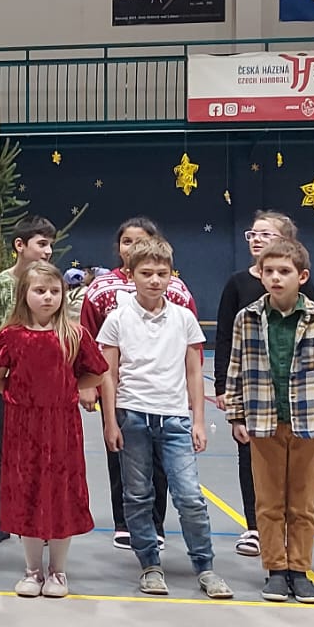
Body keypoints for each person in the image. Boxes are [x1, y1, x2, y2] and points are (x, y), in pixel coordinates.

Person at [97, 236, 233, 599]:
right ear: (130, 275)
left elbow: (194, 371)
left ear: (172, 274)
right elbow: (108, 374)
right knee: (138, 495)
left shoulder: (184, 318)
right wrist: (110, 421)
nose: (155, 280)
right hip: (133, 416)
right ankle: (150, 564)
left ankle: (205, 566)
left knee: (189, 496)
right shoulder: (117, 319)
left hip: (174, 419)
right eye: (146, 273)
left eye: (162, 273)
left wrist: (198, 420)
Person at [224, 239, 314, 603]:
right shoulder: (247, 318)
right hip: (263, 420)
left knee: (302, 504)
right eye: (268, 271)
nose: (276, 278)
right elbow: (236, 368)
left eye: (284, 271)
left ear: (302, 276)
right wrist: (236, 415)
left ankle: (299, 569)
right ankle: (276, 570)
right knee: (268, 503)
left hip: (308, 421)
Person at [0, 261, 108, 598]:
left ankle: (58, 571)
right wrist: (22, 396)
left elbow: (96, 373)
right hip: (23, 427)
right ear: (25, 294)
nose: (48, 297)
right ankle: (32, 569)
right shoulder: (8, 336)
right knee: (27, 491)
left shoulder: (74, 335)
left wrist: (65, 390)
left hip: (62, 427)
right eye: (40, 291)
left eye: (54, 291)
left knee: (60, 493)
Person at [211, 211, 314, 559]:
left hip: (296, 397)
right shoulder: (238, 284)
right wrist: (223, 386)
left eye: (265, 234)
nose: (256, 239)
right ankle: (256, 526)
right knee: (252, 459)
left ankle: (292, 536)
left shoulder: (305, 290)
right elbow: (226, 338)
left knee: (296, 474)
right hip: (253, 391)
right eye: (252, 234)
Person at [81, 218, 191, 549]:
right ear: (118, 248)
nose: (131, 247)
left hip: (164, 391)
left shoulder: (175, 290)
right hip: (118, 389)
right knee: (120, 453)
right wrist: (87, 384)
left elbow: (191, 345)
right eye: (126, 241)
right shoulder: (101, 289)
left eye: (139, 241)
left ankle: (155, 523)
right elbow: (88, 337)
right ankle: (124, 521)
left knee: (158, 460)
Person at [0, 215, 57, 546]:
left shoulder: (52, 284)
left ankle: (40, 515)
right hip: (6, 381)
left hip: (43, 384)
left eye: (51, 245)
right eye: (42, 244)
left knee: (43, 448)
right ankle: (1, 515)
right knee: (2, 444)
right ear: (20, 245)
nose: (48, 251)